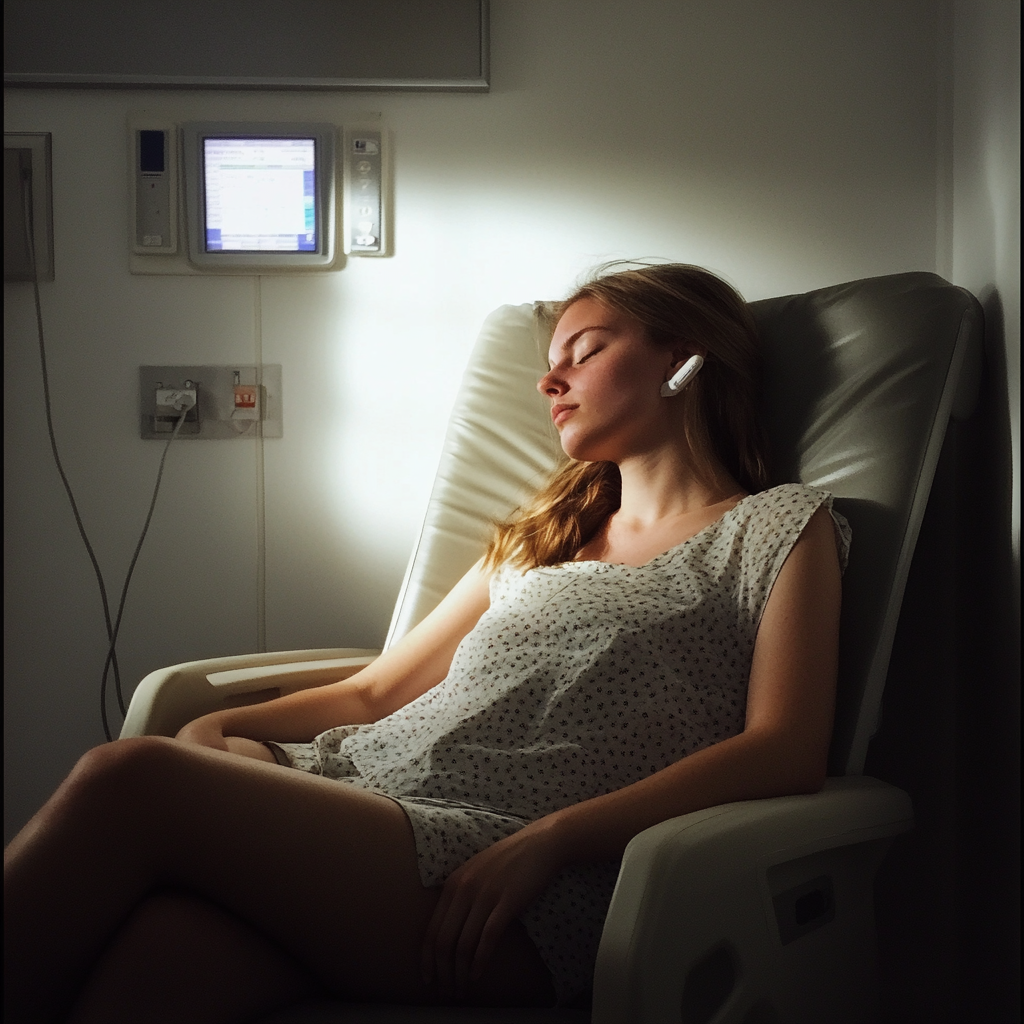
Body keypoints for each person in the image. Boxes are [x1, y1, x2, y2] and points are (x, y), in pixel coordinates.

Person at [4, 264, 848, 1024]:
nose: (550, 380)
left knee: (127, 773)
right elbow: (378, 694)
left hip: (506, 870)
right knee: (159, 962)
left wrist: (555, 838)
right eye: (552, 361)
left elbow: (784, 750)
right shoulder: (540, 538)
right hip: (362, 802)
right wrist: (233, 732)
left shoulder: (773, 528)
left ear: (683, 359)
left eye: (584, 351)